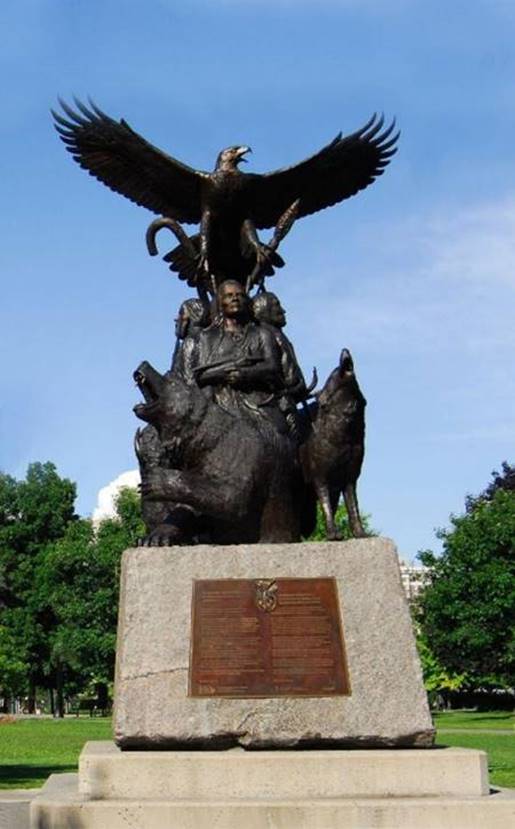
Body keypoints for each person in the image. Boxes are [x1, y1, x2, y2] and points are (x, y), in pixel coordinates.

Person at [193, 281, 286, 427]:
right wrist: (227, 372)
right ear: (220, 302)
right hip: (222, 405)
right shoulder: (208, 337)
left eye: (240, 295)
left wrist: (246, 373)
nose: (235, 298)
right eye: (229, 295)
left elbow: (273, 366)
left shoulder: (262, 333)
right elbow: (201, 374)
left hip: (259, 403)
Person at [252, 291, 307, 439]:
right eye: (276, 306)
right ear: (263, 310)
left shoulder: (276, 335)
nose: (282, 311)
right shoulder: (270, 336)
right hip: (282, 406)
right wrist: (297, 387)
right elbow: (289, 377)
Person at [170, 297, 209, 382]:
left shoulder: (190, 342)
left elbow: (187, 380)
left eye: (180, 314)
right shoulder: (210, 337)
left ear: (186, 319)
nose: (176, 319)